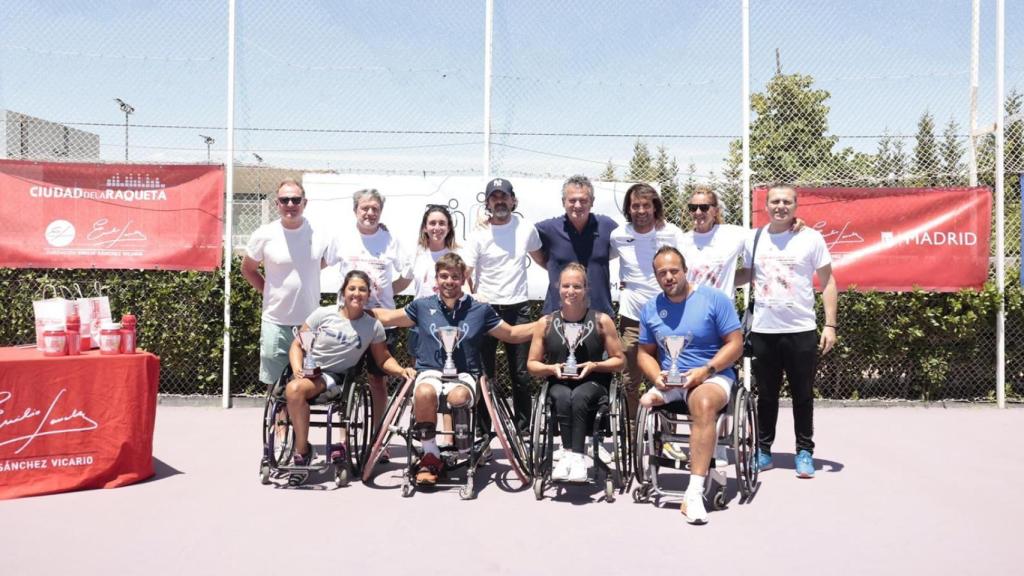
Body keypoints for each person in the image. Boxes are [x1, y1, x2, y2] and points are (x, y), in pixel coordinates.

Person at [371, 253, 535, 486]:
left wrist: (547, 323)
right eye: (444, 276)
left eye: (455, 277)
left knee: (458, 396)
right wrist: (352, 311)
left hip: (465, 374)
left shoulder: (480, 310)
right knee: (424, 392)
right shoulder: (421, 306)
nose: (449, 281)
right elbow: (388, 317)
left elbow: (511, 334)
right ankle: (430, 456)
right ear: (436, 280)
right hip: (430, 370)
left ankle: (463, 447)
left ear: (463, 279)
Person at [735, 184, 838, 479]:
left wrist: (830, 324)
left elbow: (828, 282)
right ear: (765, 206)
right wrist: (715, 275)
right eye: (775, 201)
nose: (781, 206)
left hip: (801, 330)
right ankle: (764, 451)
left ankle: (804, 452)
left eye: (787, 202)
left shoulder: (810, 238)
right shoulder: (754, 239)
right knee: (765, 396)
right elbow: (746, 274)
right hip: (764, 331)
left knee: (802, 395)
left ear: (796, 206)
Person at [636, 246, 743, 524]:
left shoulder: (715, 300)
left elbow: (735, 344)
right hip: (672, 379)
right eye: (662, 273)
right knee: (646, 402)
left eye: (674, 271)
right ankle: (668, 395)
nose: (669, 277)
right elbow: (644, 353)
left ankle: (693, 493)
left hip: (712, 375)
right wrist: (656, 375)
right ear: (656, 277)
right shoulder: (650, 308)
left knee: (702, 403)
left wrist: (705, 371)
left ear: (685, 271)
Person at [286, 270, 416, 484]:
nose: (357, 294)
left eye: (362, 289)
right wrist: (298, 369)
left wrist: (402, 371)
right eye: (352, 288)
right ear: (343, 292)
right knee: (294, 388)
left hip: (335, 378)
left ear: (369, 294)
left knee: (294, 390)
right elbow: (298, 345)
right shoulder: (322, 314)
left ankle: (303, 454)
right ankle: (303, 452)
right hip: (308, 373)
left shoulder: (372, 326)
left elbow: (383, 359)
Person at [526, 263, 624, 482]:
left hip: (594, 382)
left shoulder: (601, 321)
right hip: (559, 382)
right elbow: (532, 364)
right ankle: (567, 455)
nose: (571, 291)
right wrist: (551, 368)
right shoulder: (546, 322)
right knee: (562, 396)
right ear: (558, 288)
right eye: (566, 286)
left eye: (577, 286)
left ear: (586, 289)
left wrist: (595, 365)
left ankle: (577, 458)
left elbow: (620, 361)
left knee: (579, 396)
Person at [462, 177, 545, 432]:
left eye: (504, 196)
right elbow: (466, 272)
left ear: (513, 200)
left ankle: (523, 429)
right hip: (486, 311)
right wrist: (472, 295)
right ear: (487, 202)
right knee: (484, 375)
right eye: (494, 197)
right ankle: (484, 430)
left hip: (518, 308)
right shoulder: (478, 234)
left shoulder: (526, 228)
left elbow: (542, 259)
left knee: (521, 373)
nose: (500, 201)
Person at [332, 188, 413, 442]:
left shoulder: (391, 240)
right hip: (348, 323)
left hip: (381, 324)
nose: (369, 213)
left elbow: (407, 275)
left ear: (381, 212)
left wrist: (386, 295)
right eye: (365, 208)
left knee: (378, 381)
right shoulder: (342, 238)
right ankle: (344, 439)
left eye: (375, 209)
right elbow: (319, 263)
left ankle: (379, 437)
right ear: (355, 209)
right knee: (345, 382)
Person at [242, 178, 334, 388]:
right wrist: (268, 291)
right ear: (277, 204)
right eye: (285, 200)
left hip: (309, 324)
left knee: (306, 382)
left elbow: (324, 261)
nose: (290, 205)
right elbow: (248, 269)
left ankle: (298, 421)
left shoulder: (320, 233)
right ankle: (280, 423)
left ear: (305, 202)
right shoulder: (264, 234)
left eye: (295, 200)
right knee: (276, 387)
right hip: (274, 322)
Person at [609, 183, 684, 417]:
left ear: (655, 207)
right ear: (628, 209)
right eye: (635, 206)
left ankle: (662, 434)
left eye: (645, 205)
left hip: (667, 318)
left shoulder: (672, 233)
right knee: (630, 381)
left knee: (668, 378)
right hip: (632, 319)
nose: (640, 211)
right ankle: (631, 435)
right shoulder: (618, 235)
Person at [535, 175, 619, 316]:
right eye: (572, 200)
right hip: (558, 315)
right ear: (563, 202)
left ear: (592, 202)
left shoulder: (607, 226)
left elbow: (634, 235)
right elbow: (521, 233)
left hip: (600, 315)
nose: (578, 205)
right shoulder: (548, 229)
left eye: (583, 200)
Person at [409, 204, 457, 299]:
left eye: (442, 223)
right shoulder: (415, 255)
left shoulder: (457, 256)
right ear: (425, 228)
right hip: (419, 313)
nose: (437, 228)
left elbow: (466, 287)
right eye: (432, 223)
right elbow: (402, 282)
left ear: (449, 228)